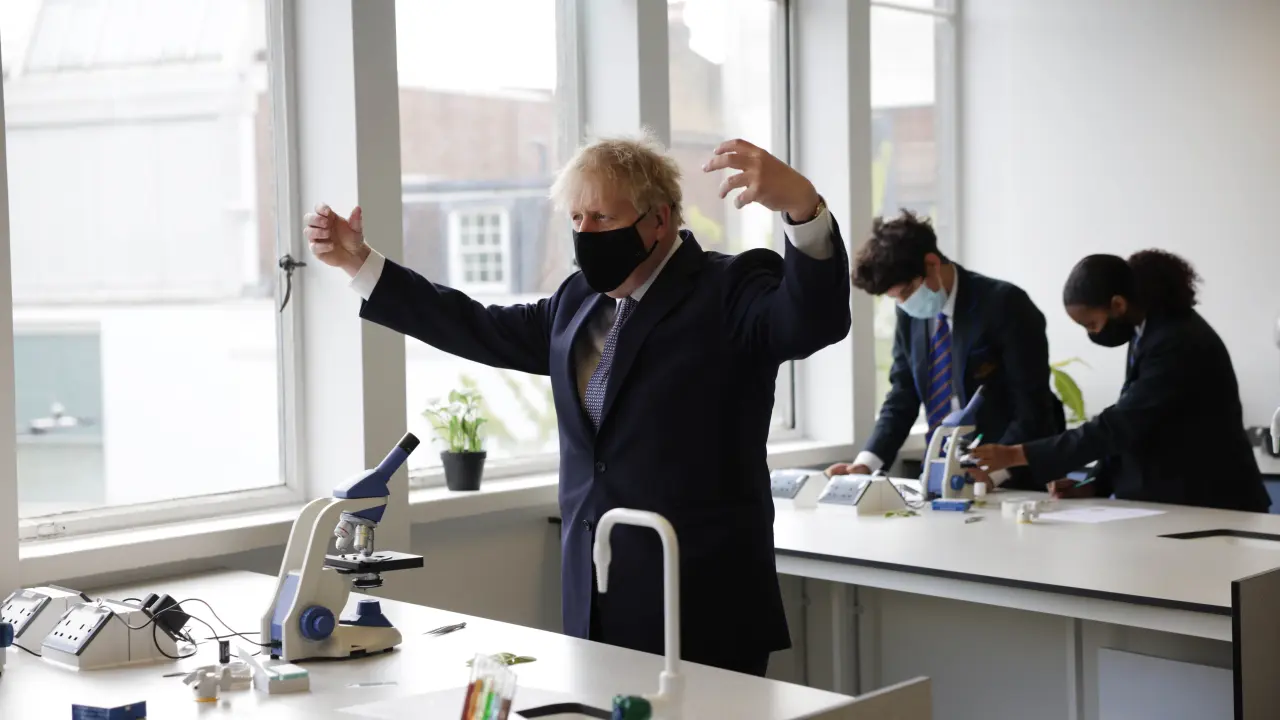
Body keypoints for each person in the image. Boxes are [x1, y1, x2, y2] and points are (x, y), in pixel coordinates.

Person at [304, 135, 852, 676]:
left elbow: (812, 320)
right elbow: (475, 326)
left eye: (602, 218)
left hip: (703, 607)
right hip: (594, 599)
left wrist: (802, 209)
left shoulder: (729, 287)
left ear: (659, 220)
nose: (585, 232)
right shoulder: (577, 300)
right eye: (576, 219)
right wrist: (363, 265)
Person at [972, 250, 1269, 512]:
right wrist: (1095, 484)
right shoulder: (1145, 332)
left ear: (1117, 305)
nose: (1092, 333)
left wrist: (1016, 454)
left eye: (1091, 324)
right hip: (1177, 502)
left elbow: (1123, 423)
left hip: (1213, 502)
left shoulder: (1178, 341)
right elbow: (1135, 427)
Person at [825, 210, 1064, 491]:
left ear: (931, 264)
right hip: (941, 475)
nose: (903, 304)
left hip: (1011, 482)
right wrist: (866, 464)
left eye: (906, 292)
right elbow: (902, 395)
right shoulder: (910, 315)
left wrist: (993, 472)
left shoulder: (1005, 305)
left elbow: (1032, 409)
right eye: (895, 298)